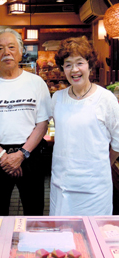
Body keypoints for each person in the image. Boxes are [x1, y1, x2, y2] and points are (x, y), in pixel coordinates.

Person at [0, 28, 51, 216]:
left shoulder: (36, 82)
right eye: (0, 48)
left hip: (30, 154)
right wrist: (2, 156)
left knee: (34, 211)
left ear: (20, 50)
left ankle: (32, 245)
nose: (6, 53)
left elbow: (42, 123)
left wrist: (22, 154)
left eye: (11, 47)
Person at [50, 36, 119, 216]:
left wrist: (99, 165)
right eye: (68, 64)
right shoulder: (57, 98)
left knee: (92, 237)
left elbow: (118, 144)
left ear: (90, 64)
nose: (74, 70)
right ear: (62, 68)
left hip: (94, 190)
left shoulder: (106, 99)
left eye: (79, 63)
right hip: (62, 185)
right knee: (61, 237)